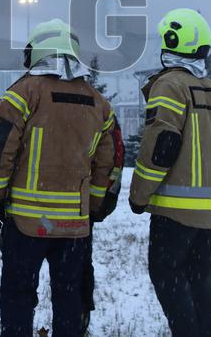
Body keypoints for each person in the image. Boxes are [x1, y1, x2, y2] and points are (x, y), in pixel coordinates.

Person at [0, 19, 116, 337]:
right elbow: (105, 164)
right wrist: (94, 206)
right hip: (74, 224)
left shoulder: (22, 94)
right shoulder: (99, 103)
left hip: (27, 221)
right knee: (69, 296)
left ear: (38, 51)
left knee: (18, 293)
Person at [129, 8, 211, 337]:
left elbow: (161, 147)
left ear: (173, 42)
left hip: (175, 211)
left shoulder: (170, 86)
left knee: (166, 273)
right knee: (203, 274)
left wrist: (139, 195)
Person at [81, 115, 125, 334]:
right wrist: (99, 202)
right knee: (77, 268)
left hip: (29, 208)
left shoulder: (29, 99)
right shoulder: (101, 110)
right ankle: (78, 319)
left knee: (22, 275)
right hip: (80, 208)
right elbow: (112, 160)